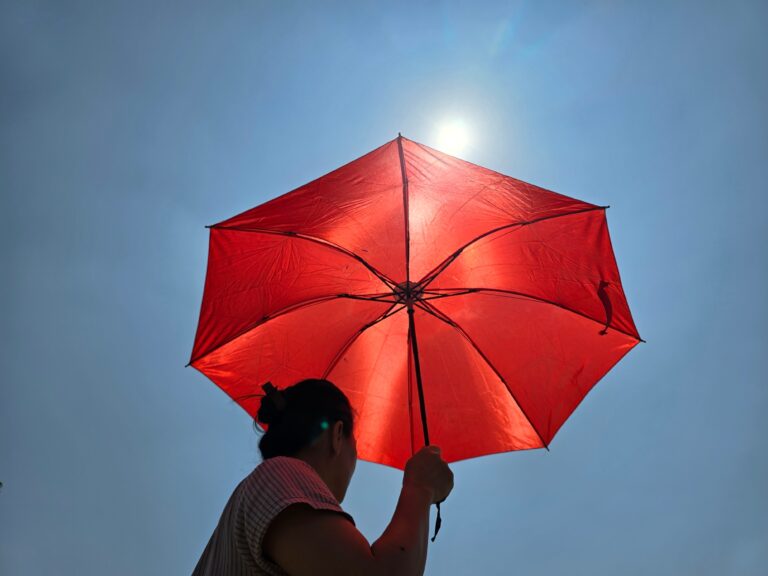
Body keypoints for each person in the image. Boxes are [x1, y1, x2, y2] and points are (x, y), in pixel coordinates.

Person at [192, 378, 454, 576]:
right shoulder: (282, 474)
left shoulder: (259, 492)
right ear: (337, 436)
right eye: (356, 447)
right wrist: (419, 486)